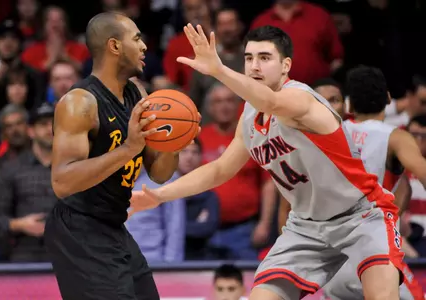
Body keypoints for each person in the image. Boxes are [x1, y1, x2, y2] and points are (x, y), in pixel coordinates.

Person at [130, 25, 404, 300]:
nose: (254, 66)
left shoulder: (301, 98)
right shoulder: (249, 115)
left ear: (286, 65)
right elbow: (219, 169)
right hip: (307, 226)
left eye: (264, 58)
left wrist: (219, 70)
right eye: (249, 58)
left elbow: (272, 102)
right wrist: (159, 195)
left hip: (361, 215)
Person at [44, 12, 190, 300]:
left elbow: (159, 172)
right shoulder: (79, 103)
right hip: (78, 226)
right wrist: (127, 150)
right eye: (136, 39)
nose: (145, 46)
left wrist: (176, 139)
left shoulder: (137, 92)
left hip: (113, 224)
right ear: (114, 46)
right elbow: (62, 181)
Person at [321, 66, 426, 300]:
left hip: (333, 261)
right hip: (375, 254)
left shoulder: (331, 136)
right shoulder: (395, 137)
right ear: (388, 99)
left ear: (348, 104)